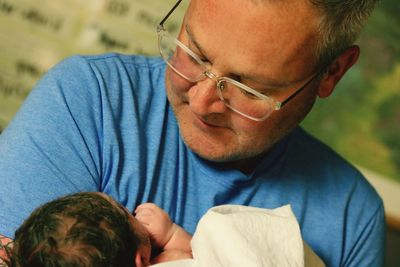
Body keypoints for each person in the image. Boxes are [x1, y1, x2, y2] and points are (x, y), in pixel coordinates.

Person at [0, 0, 384, 266]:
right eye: (194, 53)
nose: (201, 101)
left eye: (248, 88)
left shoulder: (351, 218)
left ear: (332, 72)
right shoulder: (90, 100)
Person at [3, 192, 192, 267]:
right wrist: (171, 235)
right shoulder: (171, 261)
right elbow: (208, 253)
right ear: (140, 261)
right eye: (125, 211)